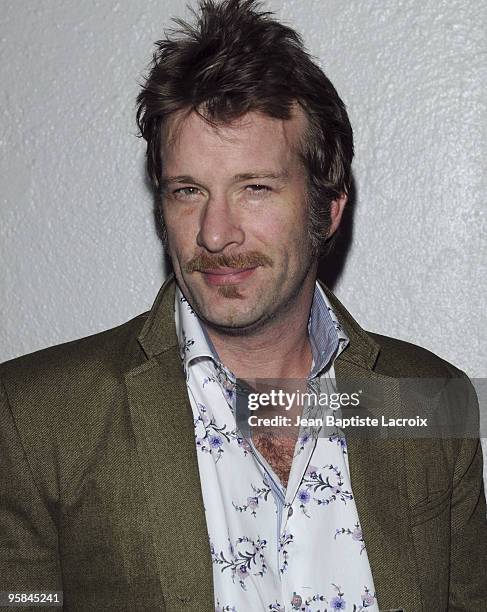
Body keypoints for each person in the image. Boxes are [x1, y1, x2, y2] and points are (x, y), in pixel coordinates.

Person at [1, 0, 486, 610]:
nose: (215, 233)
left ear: (327, 209)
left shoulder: (431, 400)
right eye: (188, 191)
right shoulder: (34, 421)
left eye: (255, 188)